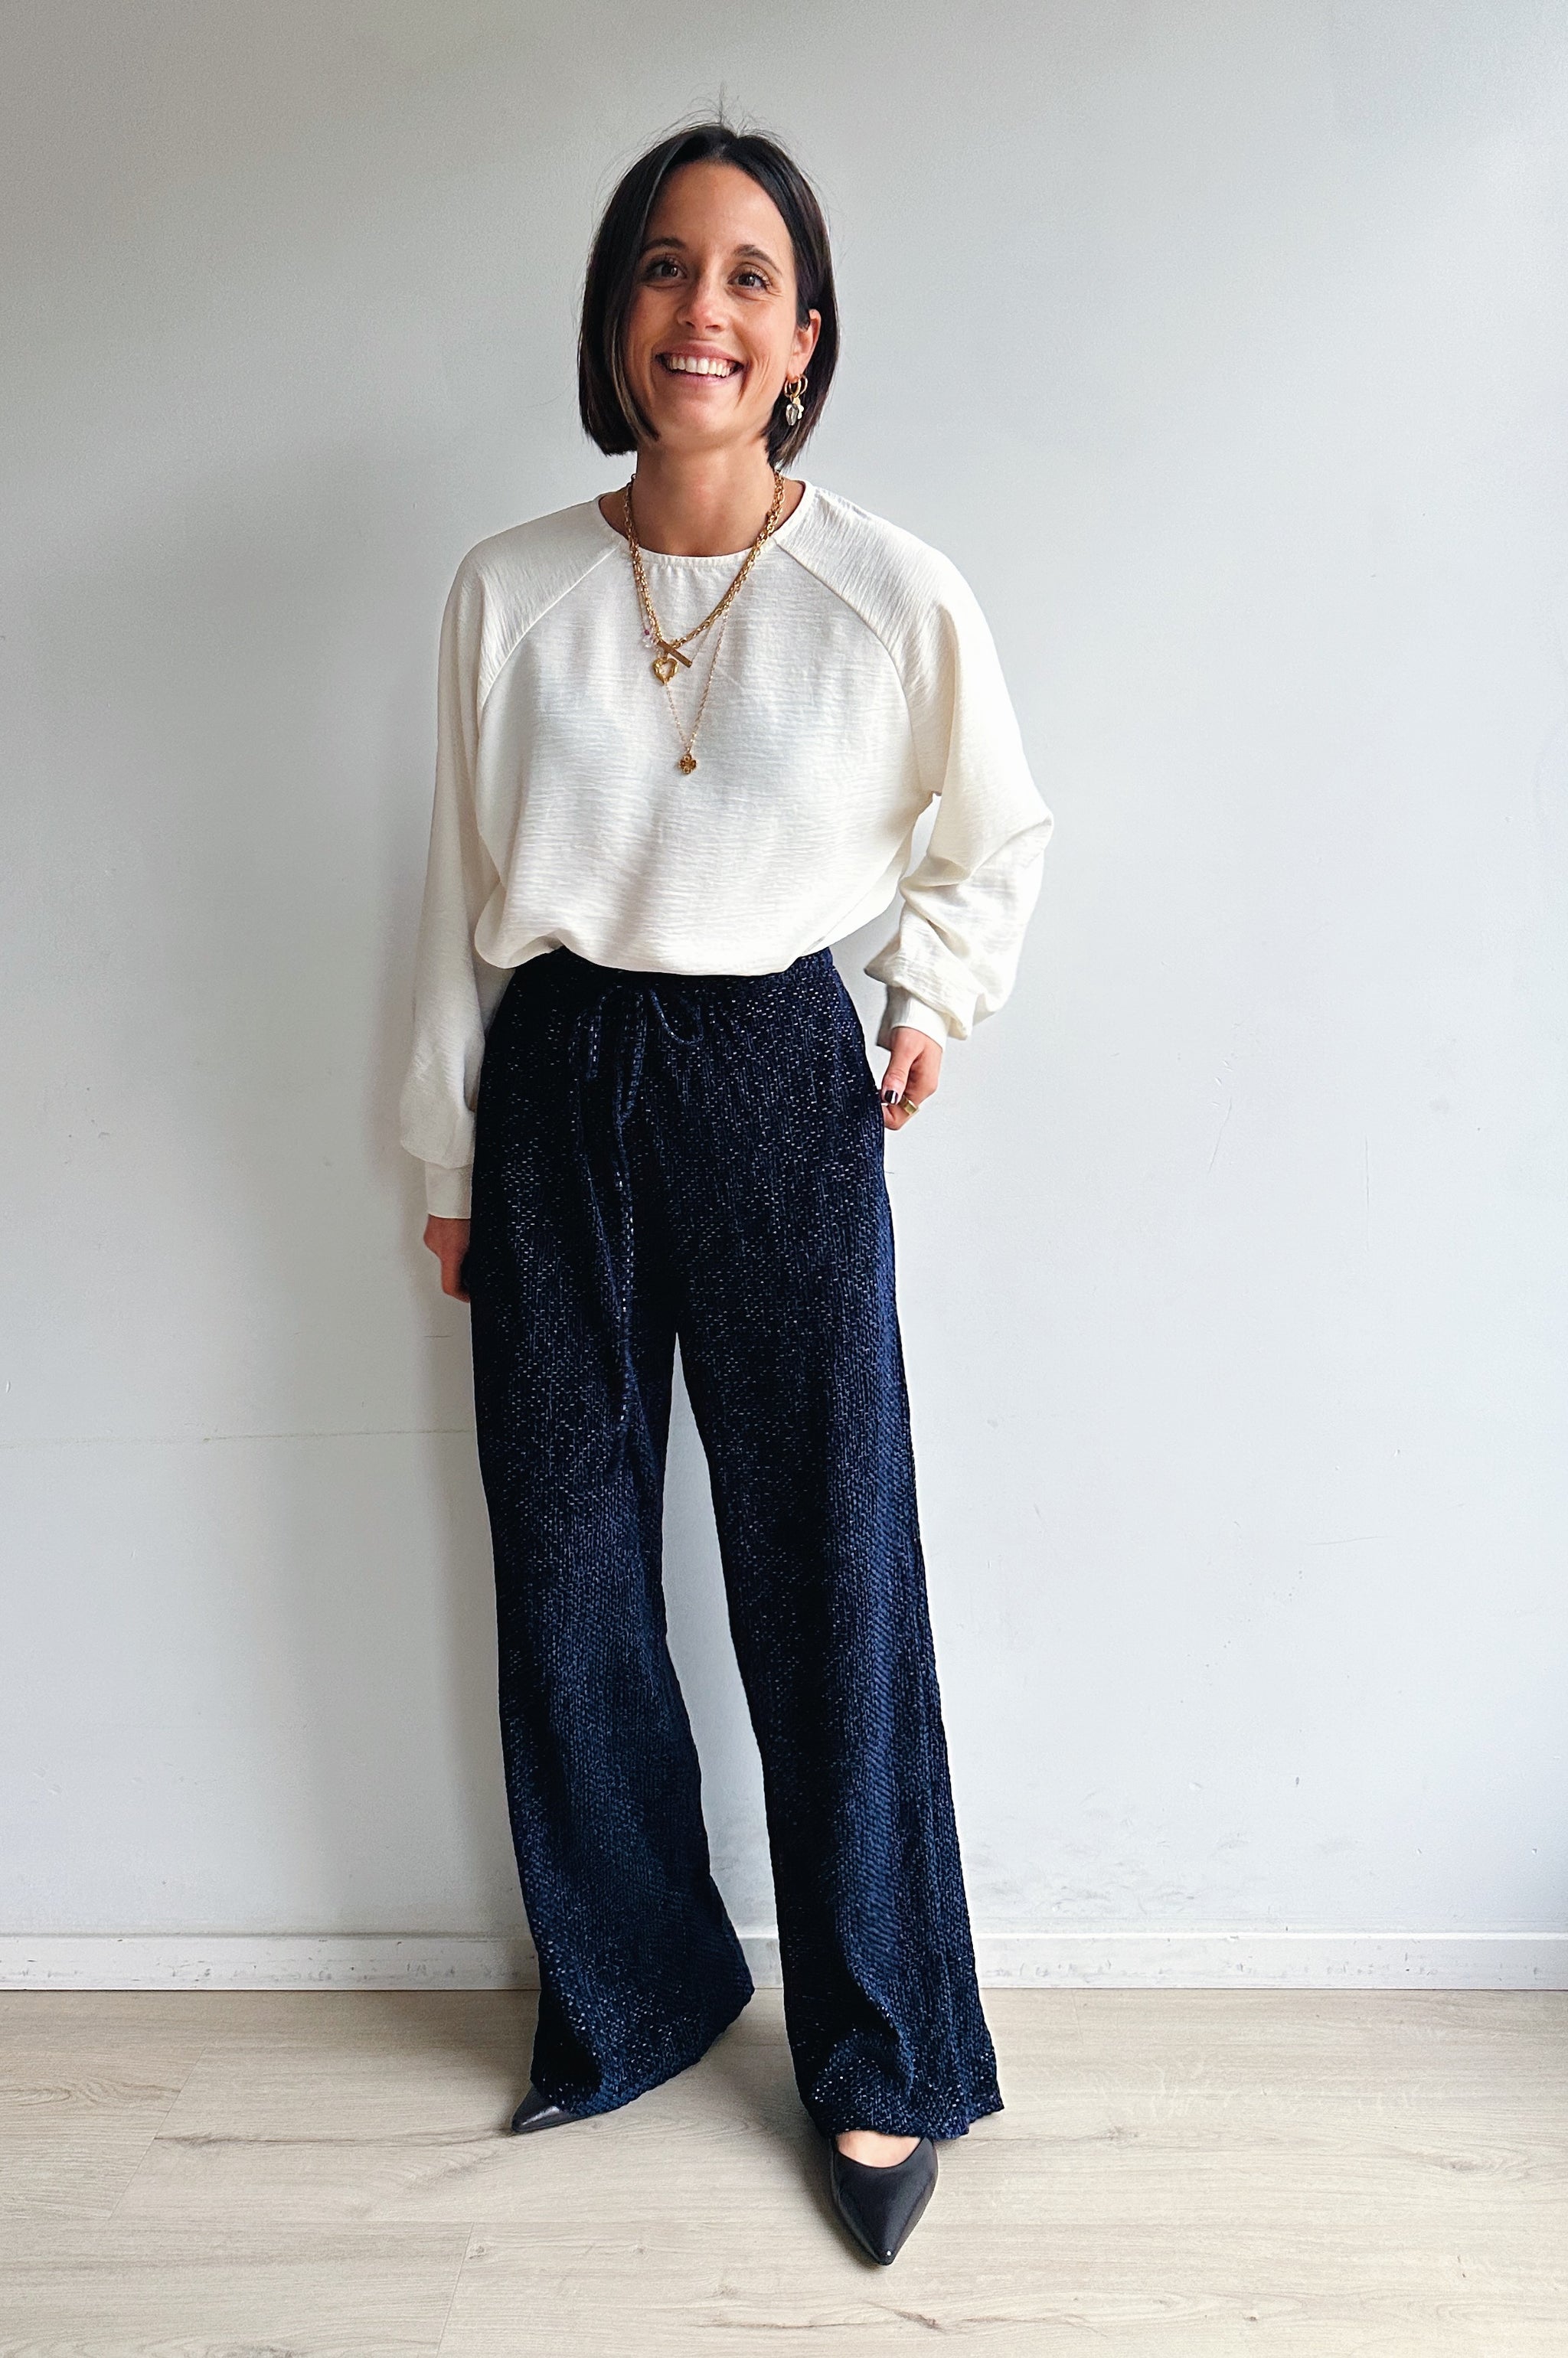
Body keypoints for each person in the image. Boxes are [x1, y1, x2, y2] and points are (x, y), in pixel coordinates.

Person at [397, 119, 1053, 2267]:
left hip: (776, 1067)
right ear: (618, 320)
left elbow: (996, 834)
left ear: (806, 340)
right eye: (666, 269)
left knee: (827, 1562)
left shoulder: (891, 587)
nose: (704, 311)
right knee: (570, 1565)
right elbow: (455, 892)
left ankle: (884, 2052)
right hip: (557, 1072)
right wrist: (445, 1145)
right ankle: (639, 1988)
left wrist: (929, 995)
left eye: (750, 276)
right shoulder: (507, 588)